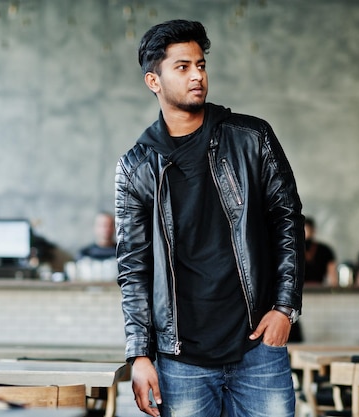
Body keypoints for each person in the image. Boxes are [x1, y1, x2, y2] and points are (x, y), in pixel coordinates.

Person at [115, 19, 305, 417]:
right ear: (154, 81)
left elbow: (287, 221)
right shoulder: (136, 167)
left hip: (258, 347)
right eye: (182, 67)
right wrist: (140, 355)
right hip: (181, 359)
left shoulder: (252, 138)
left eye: (200, 65)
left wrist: (285, 308)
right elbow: (133, 267)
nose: (197, 75)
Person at [303, 217, 338, 286]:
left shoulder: (325, 250)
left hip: (319, 289)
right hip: (297, 290)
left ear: (313, 230)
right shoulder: (291, 251)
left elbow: (333, 277)